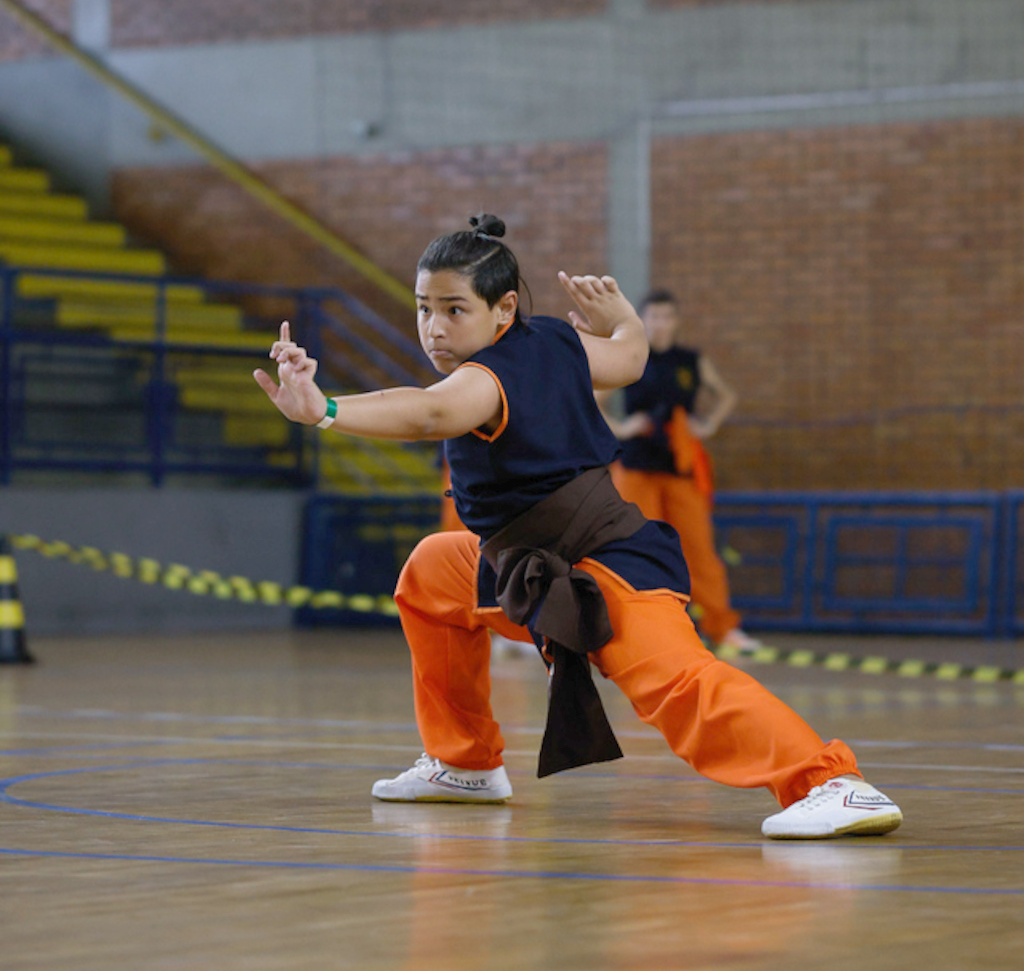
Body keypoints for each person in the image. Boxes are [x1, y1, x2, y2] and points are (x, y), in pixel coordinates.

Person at [254, 215, 902, 840]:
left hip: (605, 563)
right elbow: (629, 359)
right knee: (433, 571)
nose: (435, 327)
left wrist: (324, 409)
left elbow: (428, 413)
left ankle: (831, 783)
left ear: (503, 309)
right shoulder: (556, 342)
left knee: (679, 684)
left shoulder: (483, 380)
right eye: (424, 308)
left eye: (455, 309)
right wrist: (624, 320)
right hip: (528, 564)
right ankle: (464, 763)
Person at [602, 290, 755, 652]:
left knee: (699, 550)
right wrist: (622, 427)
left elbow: (726, 395)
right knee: (634, 547)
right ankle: (632, 627)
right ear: (643, 320)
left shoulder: (690, 361)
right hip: (637, 468)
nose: (661, 323)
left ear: (676, 321)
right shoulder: (631, 356)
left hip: (679, 466)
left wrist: (708, 424)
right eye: (654, 316)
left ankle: (721, 627)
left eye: (667, 316)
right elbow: (593, 401)